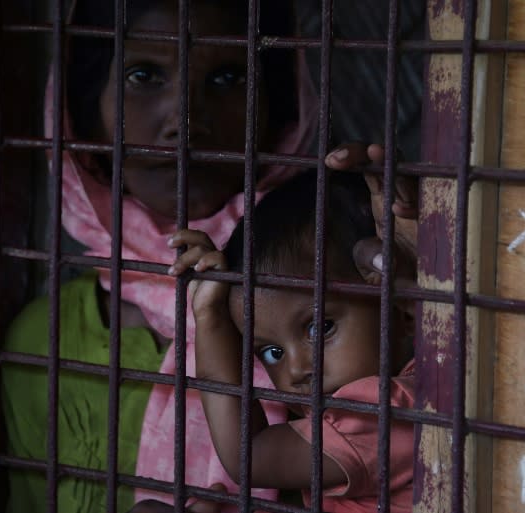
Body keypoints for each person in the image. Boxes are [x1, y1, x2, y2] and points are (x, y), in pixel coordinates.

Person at [1, 0, 318, 512]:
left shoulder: (333, 308)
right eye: (142, 74)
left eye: (229, 77)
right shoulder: (45, 338)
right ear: (86, 111)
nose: (184, 122)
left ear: (278, 109)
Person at [168, 171, 417, 513]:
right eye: (272, 353)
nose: (297, 370)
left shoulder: (384, 415)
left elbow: (247, 457)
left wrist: (211, 320)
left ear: (402, 311)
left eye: (320, 328)